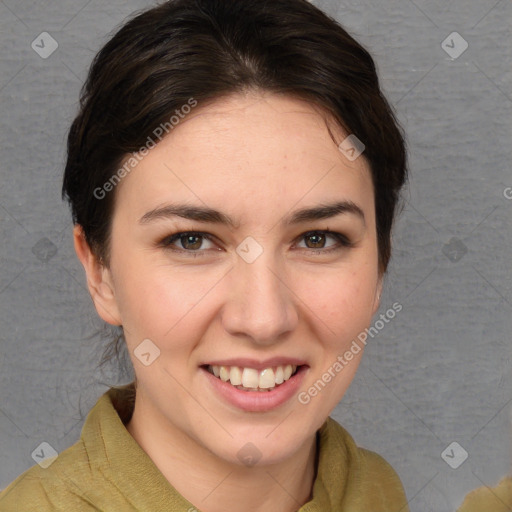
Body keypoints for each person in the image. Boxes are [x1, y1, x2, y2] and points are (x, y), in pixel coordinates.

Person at [0, 0, 410, 510]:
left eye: (318, 238)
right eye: (190, 240)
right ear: (100, 272)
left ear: (380, 266)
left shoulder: (378, 492)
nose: (263, 320)